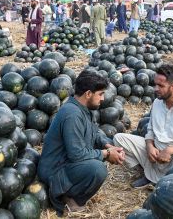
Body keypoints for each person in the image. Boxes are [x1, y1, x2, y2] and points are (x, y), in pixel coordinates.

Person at [38, 70, 125, 216]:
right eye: (101, 94)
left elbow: (95, 132)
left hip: (66, 162)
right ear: (88, 94)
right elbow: (77, 155)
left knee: (97, 162)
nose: (103, 99)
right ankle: (69, 199)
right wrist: (106, 154)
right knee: (97, 169)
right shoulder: (72, 114)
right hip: (54, 170)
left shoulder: (84, 109)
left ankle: (70, 191)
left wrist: (107, 146)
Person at [114, 64, 173, 188]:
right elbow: (151, 130)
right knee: (119, 139)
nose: (155, 88)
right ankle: (147, 174)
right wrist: (149, 146)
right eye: (155, 84)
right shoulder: (157, 102)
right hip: (155, 154)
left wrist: (170, 150)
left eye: (160, 86)